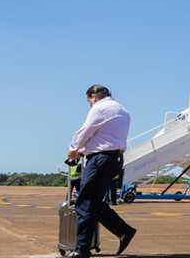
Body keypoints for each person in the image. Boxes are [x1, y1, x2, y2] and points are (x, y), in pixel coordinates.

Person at [67, 84, 137, 258]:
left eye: (88, 101)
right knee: (96, 203)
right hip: (114, 159)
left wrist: (73, 149)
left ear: (93, 96)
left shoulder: (100, 108)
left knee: (84, 202)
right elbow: (106, 139)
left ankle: (81, 249)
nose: (89, 104)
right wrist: (84, 150)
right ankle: (124, 231)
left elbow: (85, 131)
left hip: (99, 160)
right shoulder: (122, 110)